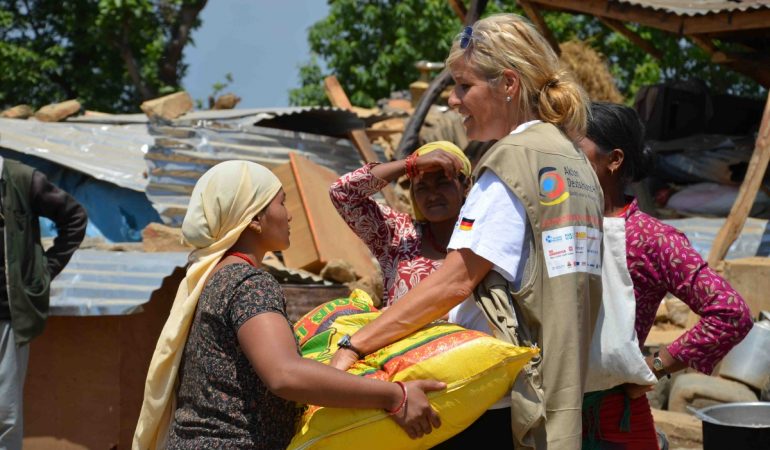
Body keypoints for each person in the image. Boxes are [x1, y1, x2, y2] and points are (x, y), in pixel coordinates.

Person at [329, 13, 604, 450]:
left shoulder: (512, 164)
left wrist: (354, 346)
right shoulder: (574, 163)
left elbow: (454, 281)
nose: (453, 101)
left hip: (493, 407)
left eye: (463, 86)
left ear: (508, 83)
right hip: (560, 388)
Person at [133, 160, 445, 450]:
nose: (289, 214)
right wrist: (394, 395)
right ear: (255, 218)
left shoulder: (213, 278)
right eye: (281, 203)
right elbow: (285, 374)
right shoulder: (248, 283)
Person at [578, 101, 753, 450]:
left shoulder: (652, 238)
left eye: (575, 148)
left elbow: (731, 312)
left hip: (616, 422)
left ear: (614, 159)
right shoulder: (554, 226)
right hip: (553, 416)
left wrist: (656, 365)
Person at [0, 158, 87, 450]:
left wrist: (42, 273)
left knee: (4, 414)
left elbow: (74, 218)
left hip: (8, 315)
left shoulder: (22, 180)